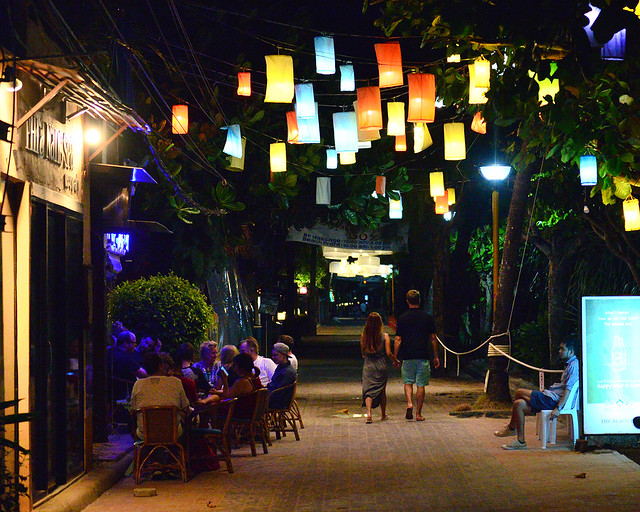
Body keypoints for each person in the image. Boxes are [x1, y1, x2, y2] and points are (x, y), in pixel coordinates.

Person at [494, 338, 579, 450]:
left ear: (571, 352)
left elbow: (568, 390)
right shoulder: (570, 364)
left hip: (553, 401)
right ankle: (521, 441)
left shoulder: (573, 366)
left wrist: (558, 408)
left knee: (519, 392)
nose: (559, 351)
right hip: (551, 397)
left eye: (562, 348)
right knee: (518, 404)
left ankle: (511, 428)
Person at [393, 290, 440, 422]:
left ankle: (409, 403)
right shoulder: (427, 318)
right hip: (423, 354)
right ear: (419, 301)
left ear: (407, 301)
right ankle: (419, 414)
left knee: (408, 382)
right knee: (421, 384)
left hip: (407, 355)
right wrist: (435, 356)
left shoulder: (402, 318)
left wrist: (395, 356)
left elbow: (398, 339)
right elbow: (433, 338)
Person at [130, 351, 190, 439]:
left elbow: (133, 409)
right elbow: (185, 406)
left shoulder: (138, 385)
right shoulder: (175, 382)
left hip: (146, 434)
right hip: (172, 433)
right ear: (160, 366)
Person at [361, 312, 393, 424]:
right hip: (381, 365)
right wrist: (395, 360)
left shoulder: (364, 337)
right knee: (382, 391)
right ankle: (383, 414)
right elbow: (388, 353)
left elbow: (363, 353)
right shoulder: (385, 337)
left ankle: (369, 414)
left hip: (369, 366)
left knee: (368, 391)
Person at [109, 331, 147, 400]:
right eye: (134, 343)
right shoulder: (125, 358)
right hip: (123, 396)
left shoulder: (109, 351)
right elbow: (144, 374)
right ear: (126, 343)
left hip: (108, 393)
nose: (135, 345)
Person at [267, 342, 297, 410]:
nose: (273, 357)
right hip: (275, 398)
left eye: (275, 355)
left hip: (278, 402)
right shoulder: (281, 367)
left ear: (283, 356)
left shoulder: (287, 372)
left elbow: (280, 392)